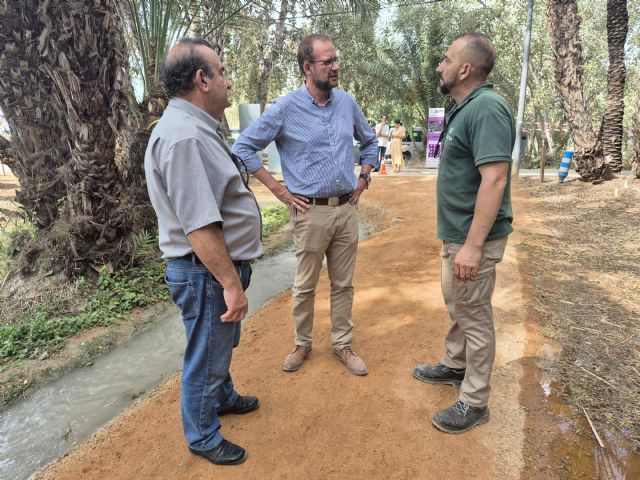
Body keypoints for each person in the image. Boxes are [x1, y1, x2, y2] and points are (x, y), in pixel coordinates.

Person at [144, 38, 263, 465]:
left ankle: (224, 396)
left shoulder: (194, 128)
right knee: (206, 355)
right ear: (202, 79)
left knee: (217, 344)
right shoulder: (185, 137)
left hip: (208, 271)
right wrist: (230, 282)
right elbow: (199, 225)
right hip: (206, 272)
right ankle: (202, 435)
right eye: (223, 71)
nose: (229, 82)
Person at [233, 33, 377, 376]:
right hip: (309, 213)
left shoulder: (346, 103)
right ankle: (302, 344)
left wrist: (363, 179)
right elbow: (243, 147)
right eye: (328, 62)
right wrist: (279, 191)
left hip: (346, 210)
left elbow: (370, 143)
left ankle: (342, 344)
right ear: (307, 67)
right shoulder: (285, 108)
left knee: (344, 284)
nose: (335, 67)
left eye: (336, 60)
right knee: (305, 285)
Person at [412, 32, 515, 434]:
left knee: (473, 314)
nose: (441, 66)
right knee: (459, 304)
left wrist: (473, 247)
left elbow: (495, 180)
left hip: (474, 240)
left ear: (466, 69)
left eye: (447, 59)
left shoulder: (487, 108)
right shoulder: (465, 107)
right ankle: (455, 365)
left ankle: (475, 401)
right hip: (457, 235)